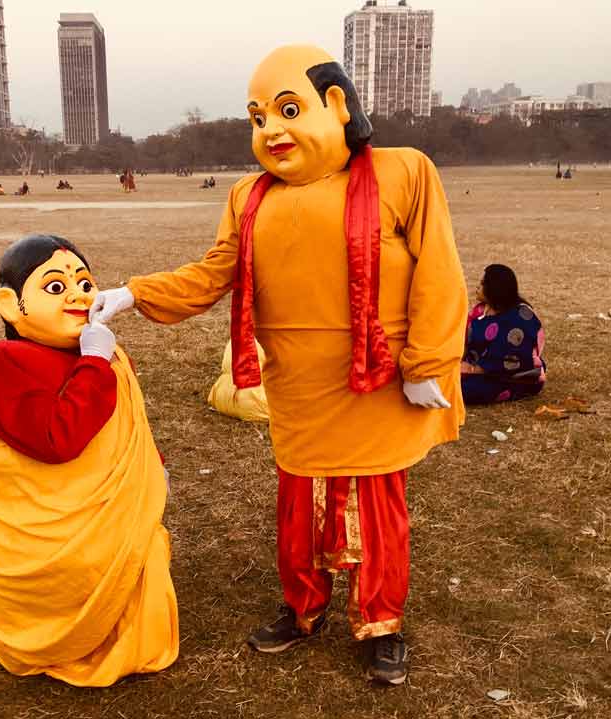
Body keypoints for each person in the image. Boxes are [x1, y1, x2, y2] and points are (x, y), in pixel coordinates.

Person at [90, 44, 467, 686]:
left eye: (288, 110)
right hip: (297, 384)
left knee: (377, 503)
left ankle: (380, 622)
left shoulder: (405, 173)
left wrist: (424, 361)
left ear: (337, 105)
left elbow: (439, 272)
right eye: (258, 117)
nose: (271, 131)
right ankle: (302, 607)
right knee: (299, 501)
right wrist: (132, 293)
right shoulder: (248, 196)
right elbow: (216, 271)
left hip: (379, 378)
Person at [0, 234, 178, 686]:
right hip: (40, 548)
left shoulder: (105, 356)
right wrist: (95, 361)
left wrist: (152, 466)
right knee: (70, 580)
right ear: (11, 306)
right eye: (56, 287)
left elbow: (127, 430)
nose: (78, 294)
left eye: (85, 283)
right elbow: (59, 439)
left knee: (145, 572)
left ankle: (105, 629)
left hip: (105, 530)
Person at [461, 264, 545, 404]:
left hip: (510, 376)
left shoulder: (519, 318)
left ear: (495, 288)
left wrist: (470, 369)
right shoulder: (481, 310)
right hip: (476, 367)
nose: (477, 287)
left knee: (461, 390)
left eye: (482, 284)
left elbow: (508, 361)